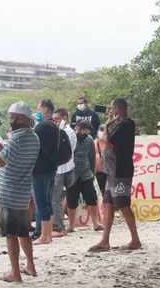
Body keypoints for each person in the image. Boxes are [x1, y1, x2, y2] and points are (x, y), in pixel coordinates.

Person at [0, 101, 39, 282]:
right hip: (22, 192)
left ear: (20, 119)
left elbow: (0, 161)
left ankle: (15, 272)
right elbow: (8, 153)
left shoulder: (18, 138)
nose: (9, 120)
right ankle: (30, 265)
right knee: (23, 232)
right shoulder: (33, 137)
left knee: (11, 234)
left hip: (9, 192)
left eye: (11, 117)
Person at [89, 97, 142, 252]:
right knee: (109, 204)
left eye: (112, 109)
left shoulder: (124, 125)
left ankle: (135, 240)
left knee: (124, 205)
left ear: (117, 109)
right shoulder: (125, 125)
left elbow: (107, 142)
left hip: (120, 170)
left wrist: (106, 125)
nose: (110, 112)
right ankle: (105, 240)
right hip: (113, 170)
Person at [31, 99, 59, 245]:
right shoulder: (54, 125)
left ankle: (44, 235)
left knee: (41, 201)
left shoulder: (43, 127)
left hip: (40, 168)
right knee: (47, 201)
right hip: (51, 167)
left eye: (39, 109)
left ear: (46, 109)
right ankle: (47, 234)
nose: (38, 112)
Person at [66, 120, 102, 232]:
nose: (84, 135)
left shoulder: (90, 140)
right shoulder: (70, 138)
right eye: (83, 132)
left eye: (87, 133)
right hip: (73, 174)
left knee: (91, 198)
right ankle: (71, 225)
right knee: (71, 200)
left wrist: (92, 175)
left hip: (86, 174)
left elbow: (92, 158)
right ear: (78, 129)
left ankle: (96, 223)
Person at [51, 108, 77, 237]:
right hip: (64, 167)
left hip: (61, 168)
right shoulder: (67, 131)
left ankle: (57, 227)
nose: (54, 121)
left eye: (56, 119)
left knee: (55, 198)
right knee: (59, 197)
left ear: (64, 118)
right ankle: (58, 224)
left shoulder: (66, 132)